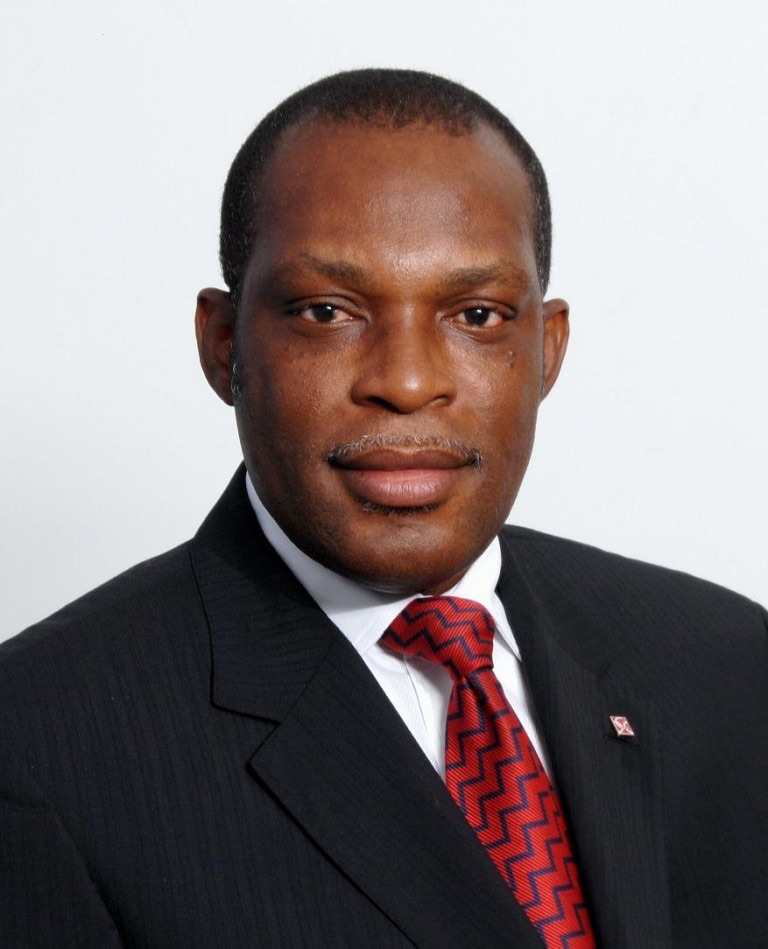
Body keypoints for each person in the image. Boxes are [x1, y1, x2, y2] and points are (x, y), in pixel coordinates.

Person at [1, 69, 766, 949]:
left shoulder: (728, 664)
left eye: (477, 314)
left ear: (547, 349)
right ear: (223, 345)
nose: (406, 382)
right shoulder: (39, 745)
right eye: (327, 311)